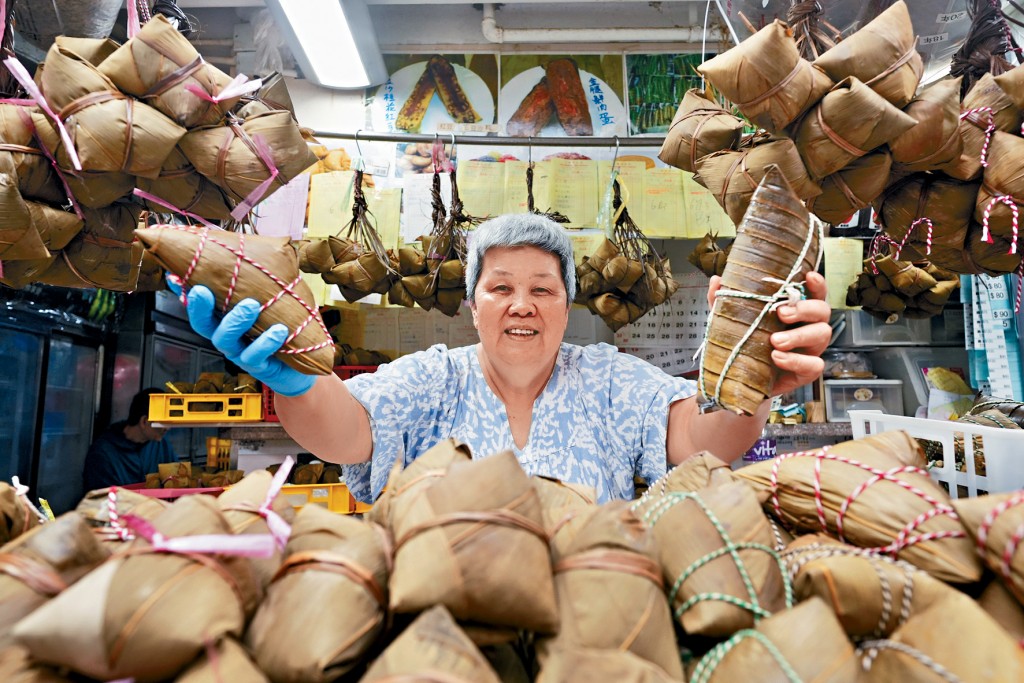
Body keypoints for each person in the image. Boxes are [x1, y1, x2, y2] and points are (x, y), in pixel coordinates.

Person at [183, 214, 832, 504]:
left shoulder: (609, 379)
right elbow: (346, 430)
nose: (521, 305)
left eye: (542, 289)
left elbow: (699, 438)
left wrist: (752, 383)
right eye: (501, 288)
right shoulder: (432, 378)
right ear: (473, 306)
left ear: (567, 305)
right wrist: (294, 383)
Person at [83, 388, 178, 491]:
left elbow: (177, 481)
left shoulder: (162, 445)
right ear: (144, 422)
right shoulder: (102, 454)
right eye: (164, 422)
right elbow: (103, 499)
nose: (168, 428)